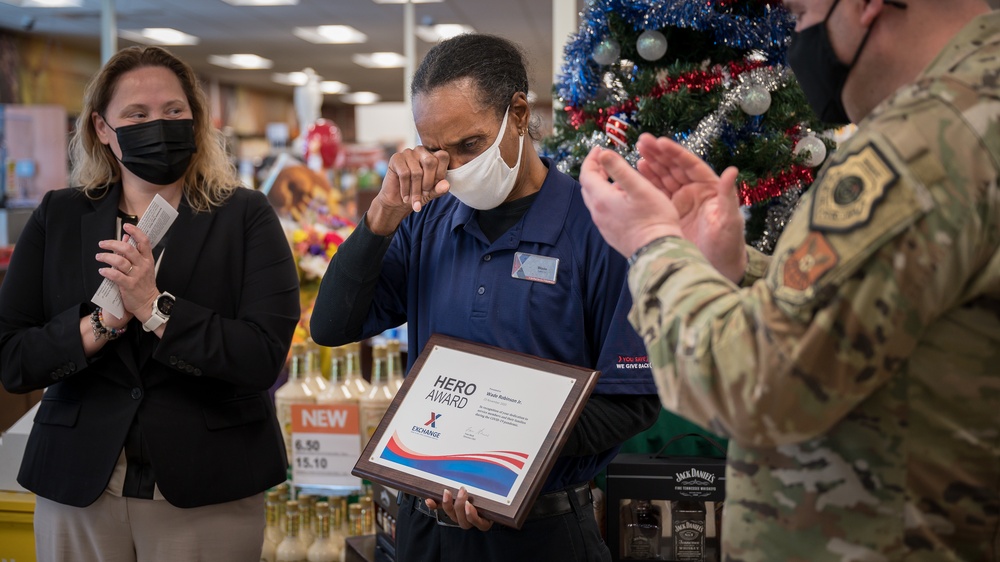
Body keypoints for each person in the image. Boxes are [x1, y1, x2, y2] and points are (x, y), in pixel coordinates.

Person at [578, 0, 1000, 559]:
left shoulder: (926, 139)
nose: (795, 33)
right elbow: (883, 312)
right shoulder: (974, 109)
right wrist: (732, 268)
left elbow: (752, 384)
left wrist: (656, 246)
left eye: (800, 13)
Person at [309, 33, 659, 561]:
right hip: (424, 531)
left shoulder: (599, 227)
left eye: (470, 145)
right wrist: (380, 218)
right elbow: (331, 327)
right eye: (434, 150)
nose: (452, 165)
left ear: (519, 114)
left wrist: (492, 458)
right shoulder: (426, 221)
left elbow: (631, 401)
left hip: (543, 534)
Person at [0, 46, 300, 561]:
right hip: (79, 483)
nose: (157, 125)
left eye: (173, 112)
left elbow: (262, 356)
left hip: (210, 485)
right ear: (101, 128)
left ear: (196, 119)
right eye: (136, 115)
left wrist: (157, 309)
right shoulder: (60, 215)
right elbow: (12, 357)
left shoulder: (245, 215)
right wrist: (101, 325)